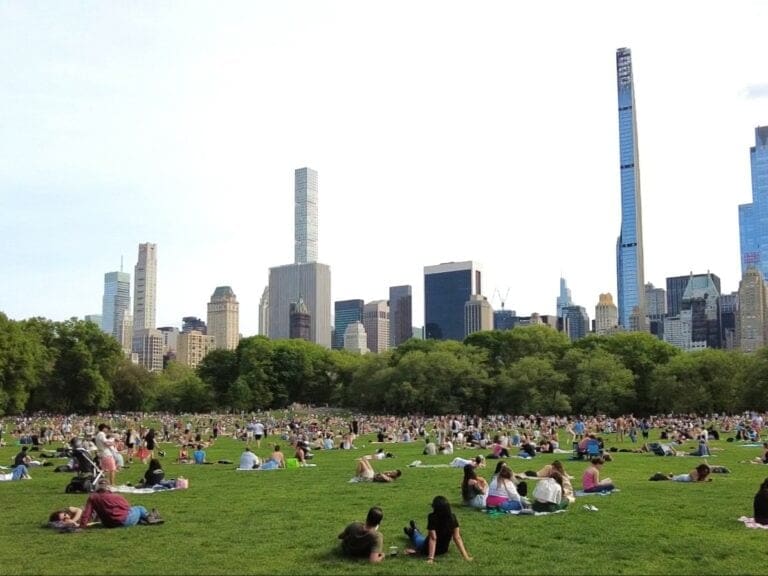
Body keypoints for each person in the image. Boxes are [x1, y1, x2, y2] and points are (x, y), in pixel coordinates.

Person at [404, 496, 472, 564]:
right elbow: (457, 537)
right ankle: (414, 530)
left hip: (426, 549)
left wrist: (430, 558)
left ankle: (413, 531)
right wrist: (466, 556)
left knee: (418, 539)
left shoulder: (432, 517)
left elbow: (433, 538)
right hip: (443, 550)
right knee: (421, 538)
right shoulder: (452, 517)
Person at [79, 479, 162, 528]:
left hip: (108, 524)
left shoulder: (93, 497)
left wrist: (82, 525)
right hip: (123, 521)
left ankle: (146, 518)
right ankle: (150, 517)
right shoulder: (116, 496)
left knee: (135, 513)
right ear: (108, 486)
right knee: (139, 508)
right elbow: (127, 508)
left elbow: (87, 513)